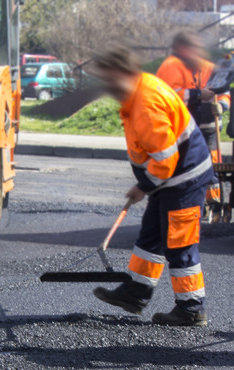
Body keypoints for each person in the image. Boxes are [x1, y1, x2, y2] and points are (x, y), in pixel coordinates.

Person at [89, 47, 216, 327]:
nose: (108, 88)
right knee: (152, 234)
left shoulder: (146, 102)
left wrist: (143, 186)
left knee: (179, 243)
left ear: (124, 72)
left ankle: (192, 308)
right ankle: (136, 293)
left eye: (110, 81)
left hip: (183, 178)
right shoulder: (139, 89)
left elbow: (165, 158)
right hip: (170, 180)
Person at [156, 30, 230, 221]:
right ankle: (196, 204)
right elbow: (170, 95)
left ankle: (214, 203)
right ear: (182, 49)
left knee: (212, 164)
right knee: (190, 166)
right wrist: (197, 94)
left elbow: (224, 90)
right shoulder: (171, 66)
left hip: (209, 124)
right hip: (186, 127)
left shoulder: (209, 67)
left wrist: (221, 105)